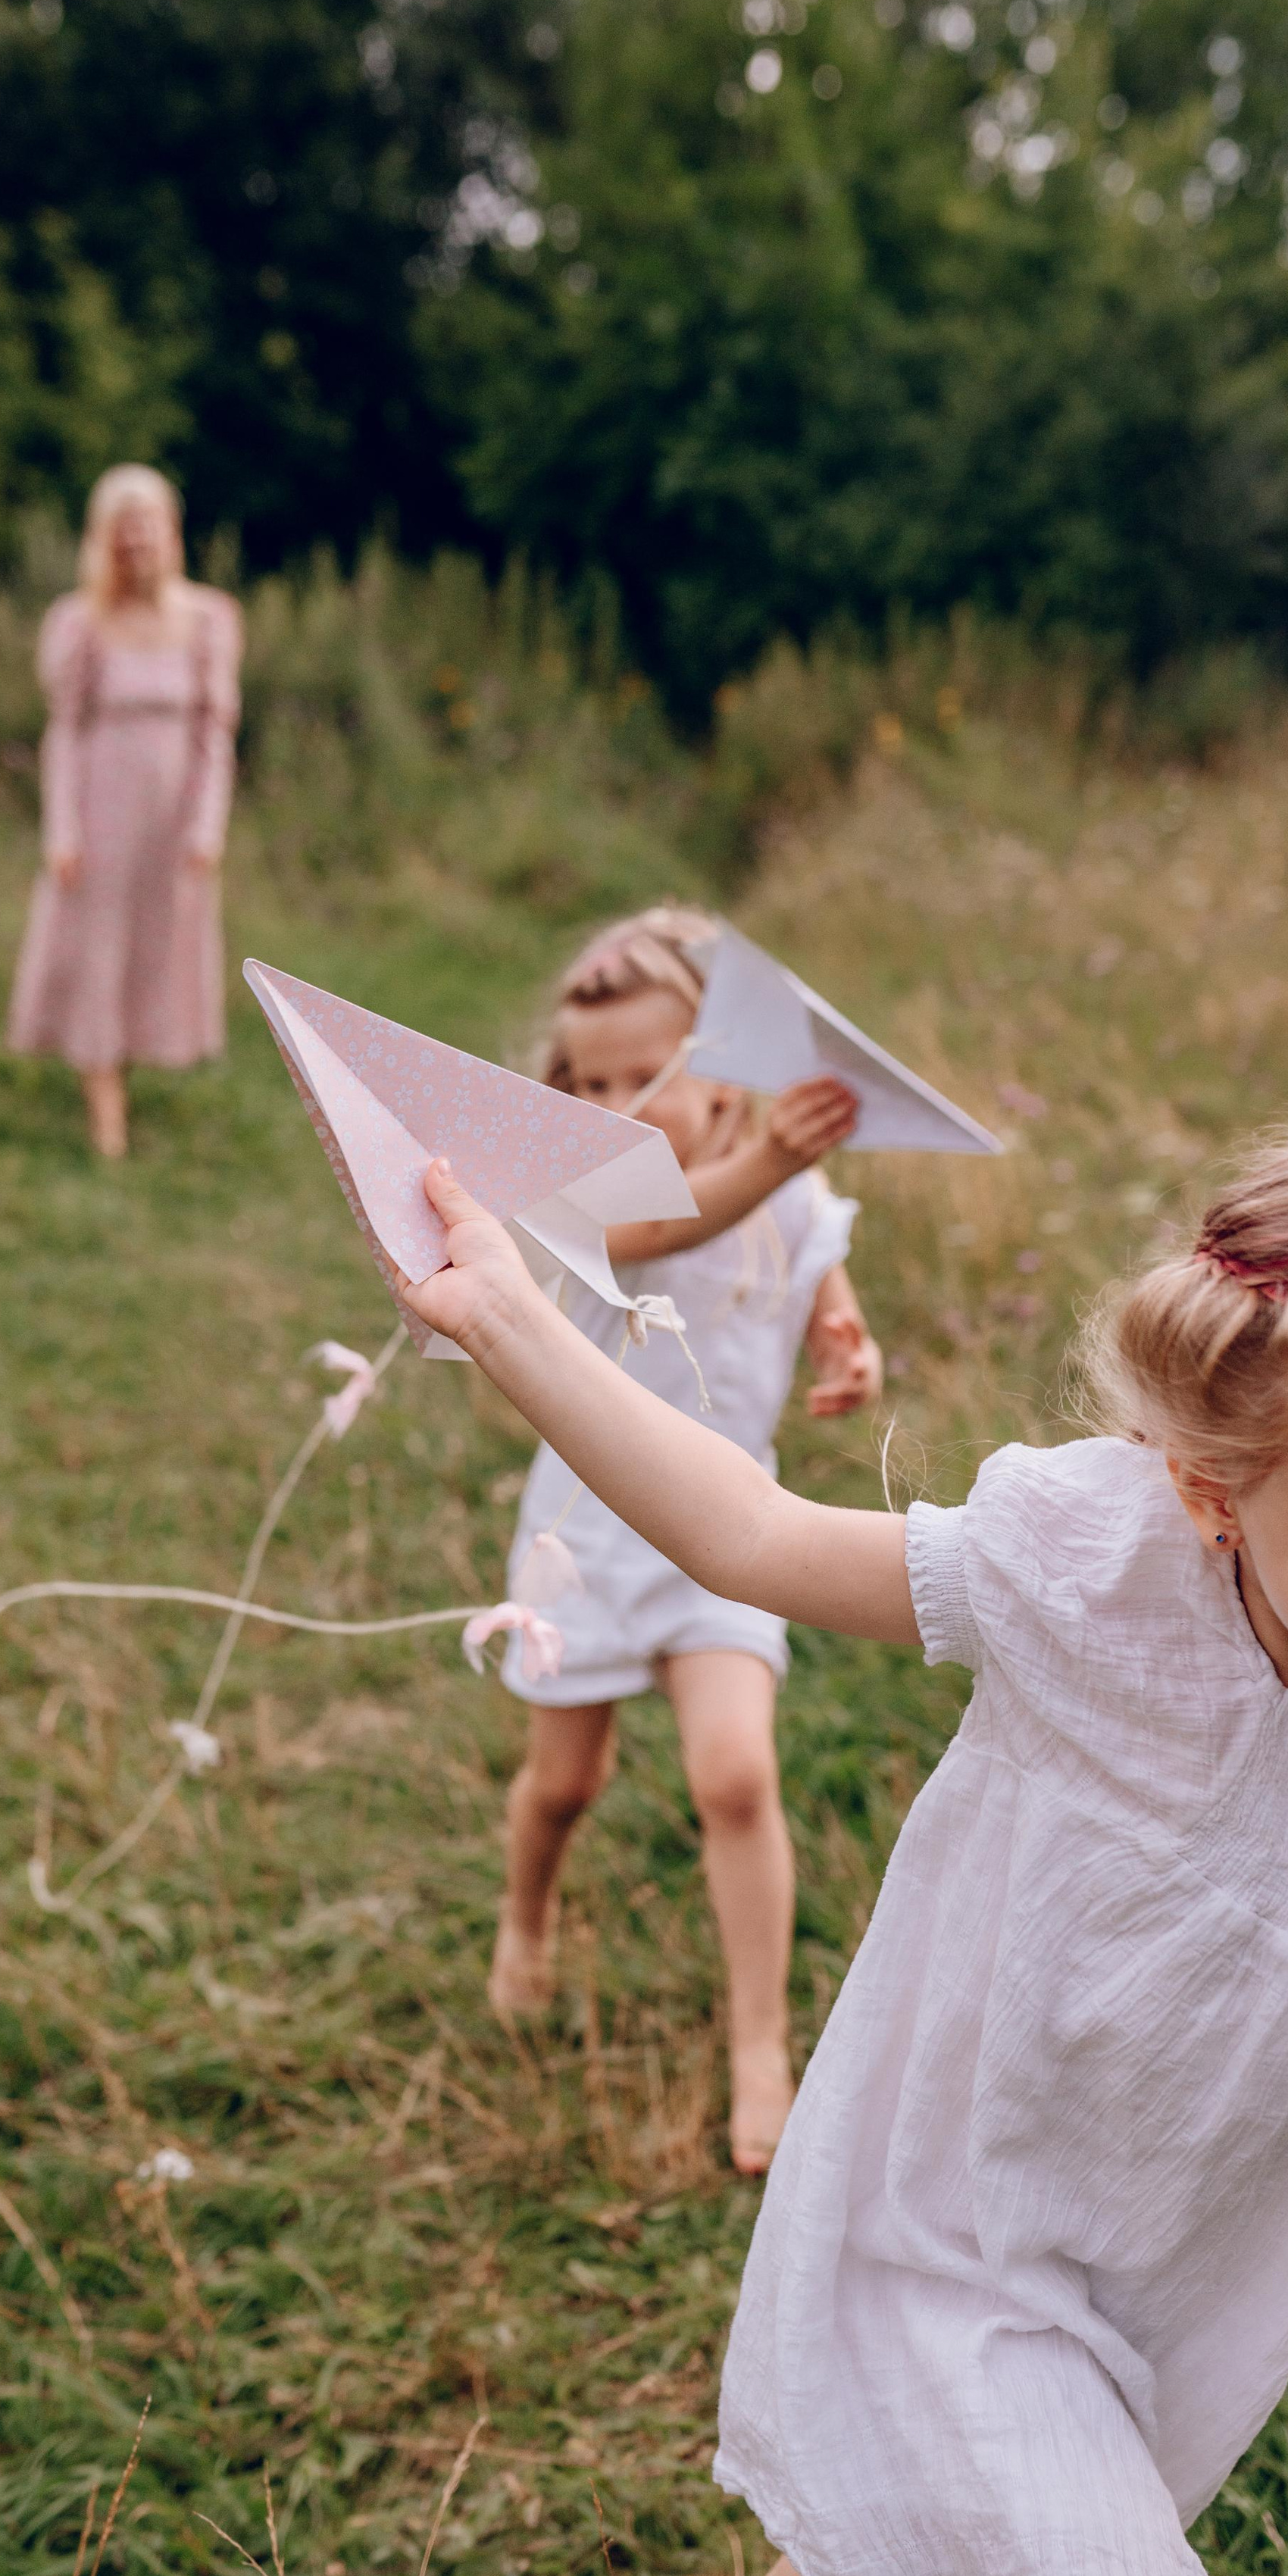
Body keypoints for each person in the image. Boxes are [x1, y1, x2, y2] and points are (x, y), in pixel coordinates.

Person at [389, 1102, 1288, 2576]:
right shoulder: (1097, 1580)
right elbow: (751, 1534)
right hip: (951, 2218)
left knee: (930, 2526)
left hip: (1173, 2292)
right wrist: (512, 1318)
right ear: (1212, 1489)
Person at [489, 907, 882, 2177]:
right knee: (565, 1782)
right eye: (590, 1083)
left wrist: (845, 1340)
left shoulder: (789, 1182)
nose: (618, 1103)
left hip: (726, 1531)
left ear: (717, 1058)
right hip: (585, 1536)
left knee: (735, 1777)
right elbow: (675, 1228)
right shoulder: (589, 1193)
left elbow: (810, 1260)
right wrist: (768, 1151)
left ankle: (759, 2044)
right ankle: (528, 1915)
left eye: (644, 1076)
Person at [8, 464, 243, 1159]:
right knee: (95, 954)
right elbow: (65, 731)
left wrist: (208, 825)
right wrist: (63, 829)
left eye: (149, 528)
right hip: (100, 816)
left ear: (171, 533)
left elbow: (215, 732)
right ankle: (104, 1119)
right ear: (104, 540)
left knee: (155, 955)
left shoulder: (211, 618)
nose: (137, 544)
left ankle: (131, 1070)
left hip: (174, 825)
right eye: (123, 532)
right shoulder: (77, 622)